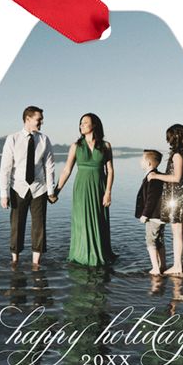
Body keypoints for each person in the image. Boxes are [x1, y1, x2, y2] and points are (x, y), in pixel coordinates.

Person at [52, 113, 114, 266]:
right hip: (82, 188)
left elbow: (110, 170)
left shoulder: (106, 146)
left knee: (99, 221)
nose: (82, 125)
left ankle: (100, 253)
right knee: (82, 220)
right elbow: (67, 170)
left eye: (85, 122)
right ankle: (81, 254)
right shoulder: (76, 146)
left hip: (99, 187)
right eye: (80, 123)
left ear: (94, 125)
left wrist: (108, 192)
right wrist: (56, 191)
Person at [0, 106, 55, 267]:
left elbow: (50, 167)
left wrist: (50, 191)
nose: (41, 122)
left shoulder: (44, 140)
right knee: (17, 225)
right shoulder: (13, 139)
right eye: (39, 119)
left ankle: (36, 263)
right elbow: (5, 168)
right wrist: (4, 194)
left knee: (39, 226)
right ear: (28, 119)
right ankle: (15, 260)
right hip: (18, 188)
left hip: (39, 189)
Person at [148, 124, 183, 274]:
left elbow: (176, 178)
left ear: (175, 137)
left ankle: (177, 266)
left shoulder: (177, 155)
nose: (167, 140)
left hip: (176, 197)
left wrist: (155, 175)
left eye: (169, 136)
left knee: (177, 232)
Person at [135, 150, 166, 275]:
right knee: (159, 240)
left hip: (153, 216)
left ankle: (156, 268)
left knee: (150, 240)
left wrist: (145, 214)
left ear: (148, 163)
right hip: (160, 216)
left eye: (142, 159)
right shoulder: (156, 175)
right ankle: (162, 265)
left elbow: (151, 198)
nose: (140, 161)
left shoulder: (153, 177)